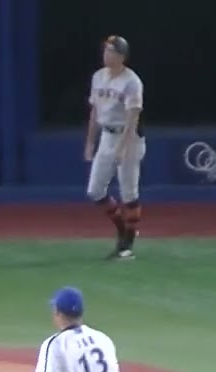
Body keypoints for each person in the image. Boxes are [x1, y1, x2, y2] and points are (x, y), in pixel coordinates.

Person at [84, 35, 146, 260]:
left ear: (121, 56)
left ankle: (127, 244)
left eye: (111, 51)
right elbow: (95, 112)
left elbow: (132, 118)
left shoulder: (131, 81)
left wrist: (122, 148)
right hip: (107, 136)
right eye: (105, 50)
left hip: (128, 137)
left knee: (129, 191)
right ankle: (122, 227)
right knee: (95, 190)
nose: (106, 54)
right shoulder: (98, 77)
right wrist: (90, 142)